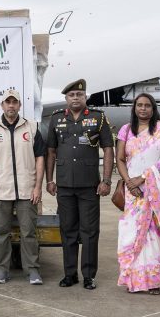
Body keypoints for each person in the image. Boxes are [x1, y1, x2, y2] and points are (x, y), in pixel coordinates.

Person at [45, 79, 113, 290]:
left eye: (79, 95)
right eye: (72, 95)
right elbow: (51, 151)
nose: (75, 98)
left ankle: (89, 275)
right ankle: (70, 274)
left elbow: (108, 148)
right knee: (68, 230)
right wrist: (49, 179)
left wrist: (106, 180)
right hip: (65, 185)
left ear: (85, 97)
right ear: (66, 98)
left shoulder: (98, 118)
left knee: (89, 232)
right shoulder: (56, 118)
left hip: (89, 185)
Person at [0, 89, 46, 285]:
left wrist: (38, 187)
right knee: (1, 233)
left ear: (19, 105)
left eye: (15, 102)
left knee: (29, 233)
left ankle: (32, 271)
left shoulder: (32, 127)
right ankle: (1, 271)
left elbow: (40, 158)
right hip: (0, 191)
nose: (11, 105)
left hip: (27, 191)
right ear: (2, 105)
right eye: (8, 102)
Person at [115, 93, 160, 295]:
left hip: (156, 189)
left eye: (147, 105)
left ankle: (153, 281)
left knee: (153, 234)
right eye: (139, 105)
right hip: (133, 191)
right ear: (134, 108)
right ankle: (133, 279)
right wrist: (129, 182)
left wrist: (143, 178)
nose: (143, 108)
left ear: (153, 108)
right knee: (132, 234)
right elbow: (120, 159)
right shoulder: (126, 130)